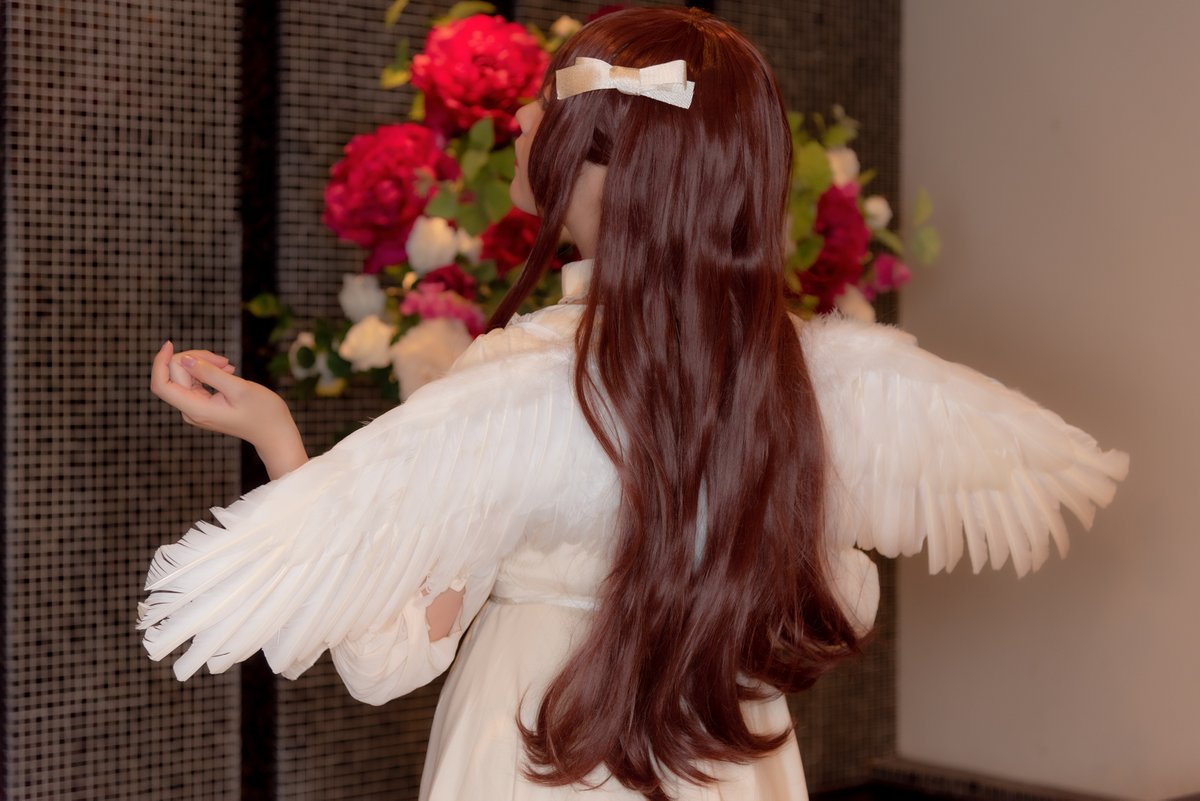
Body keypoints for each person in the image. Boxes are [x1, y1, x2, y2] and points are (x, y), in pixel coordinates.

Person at [144, 8, 1128, 800]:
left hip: (536, 754)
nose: (520, 120)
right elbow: (860, 565)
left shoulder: (519, 378)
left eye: (545, 103)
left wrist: (277, 438)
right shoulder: (809, 377)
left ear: (604, 163)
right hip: (727, 761)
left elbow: (386, 659)